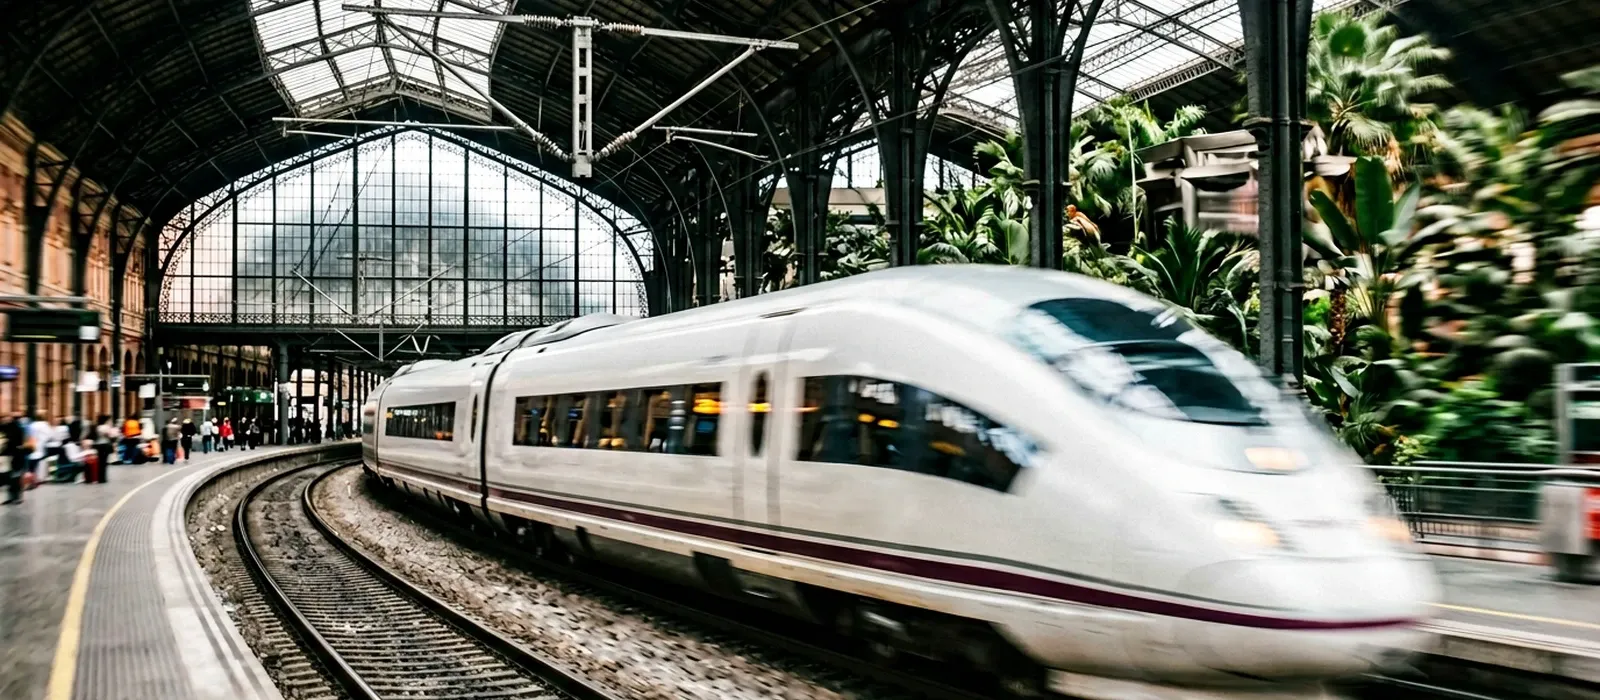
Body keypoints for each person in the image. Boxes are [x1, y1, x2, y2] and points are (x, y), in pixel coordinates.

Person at [2, 413, 29, 504]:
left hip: (15, 455)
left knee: (15, 477)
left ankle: (17, 497)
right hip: (9, 456)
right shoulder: (7, 428)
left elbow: (19, 442)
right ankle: (12, 496)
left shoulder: (16, 429)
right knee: (10, 477)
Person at [27, 411, 54, 485]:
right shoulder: (45, 425)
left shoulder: (32, 425)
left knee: (33, 461)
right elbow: (50, 435)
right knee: (42, 462)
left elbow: (29, 435)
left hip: (33, 444)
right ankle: (40, 478)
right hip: (43, 445)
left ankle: (32, 477)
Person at [93, 416, 115, 483]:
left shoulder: (98, 427)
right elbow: (110, 435)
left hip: (98, 445)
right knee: (104, 462)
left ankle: (99, 477)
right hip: (105, 445)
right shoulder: (106, 427)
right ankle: (103, 478)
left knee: (100, 462)